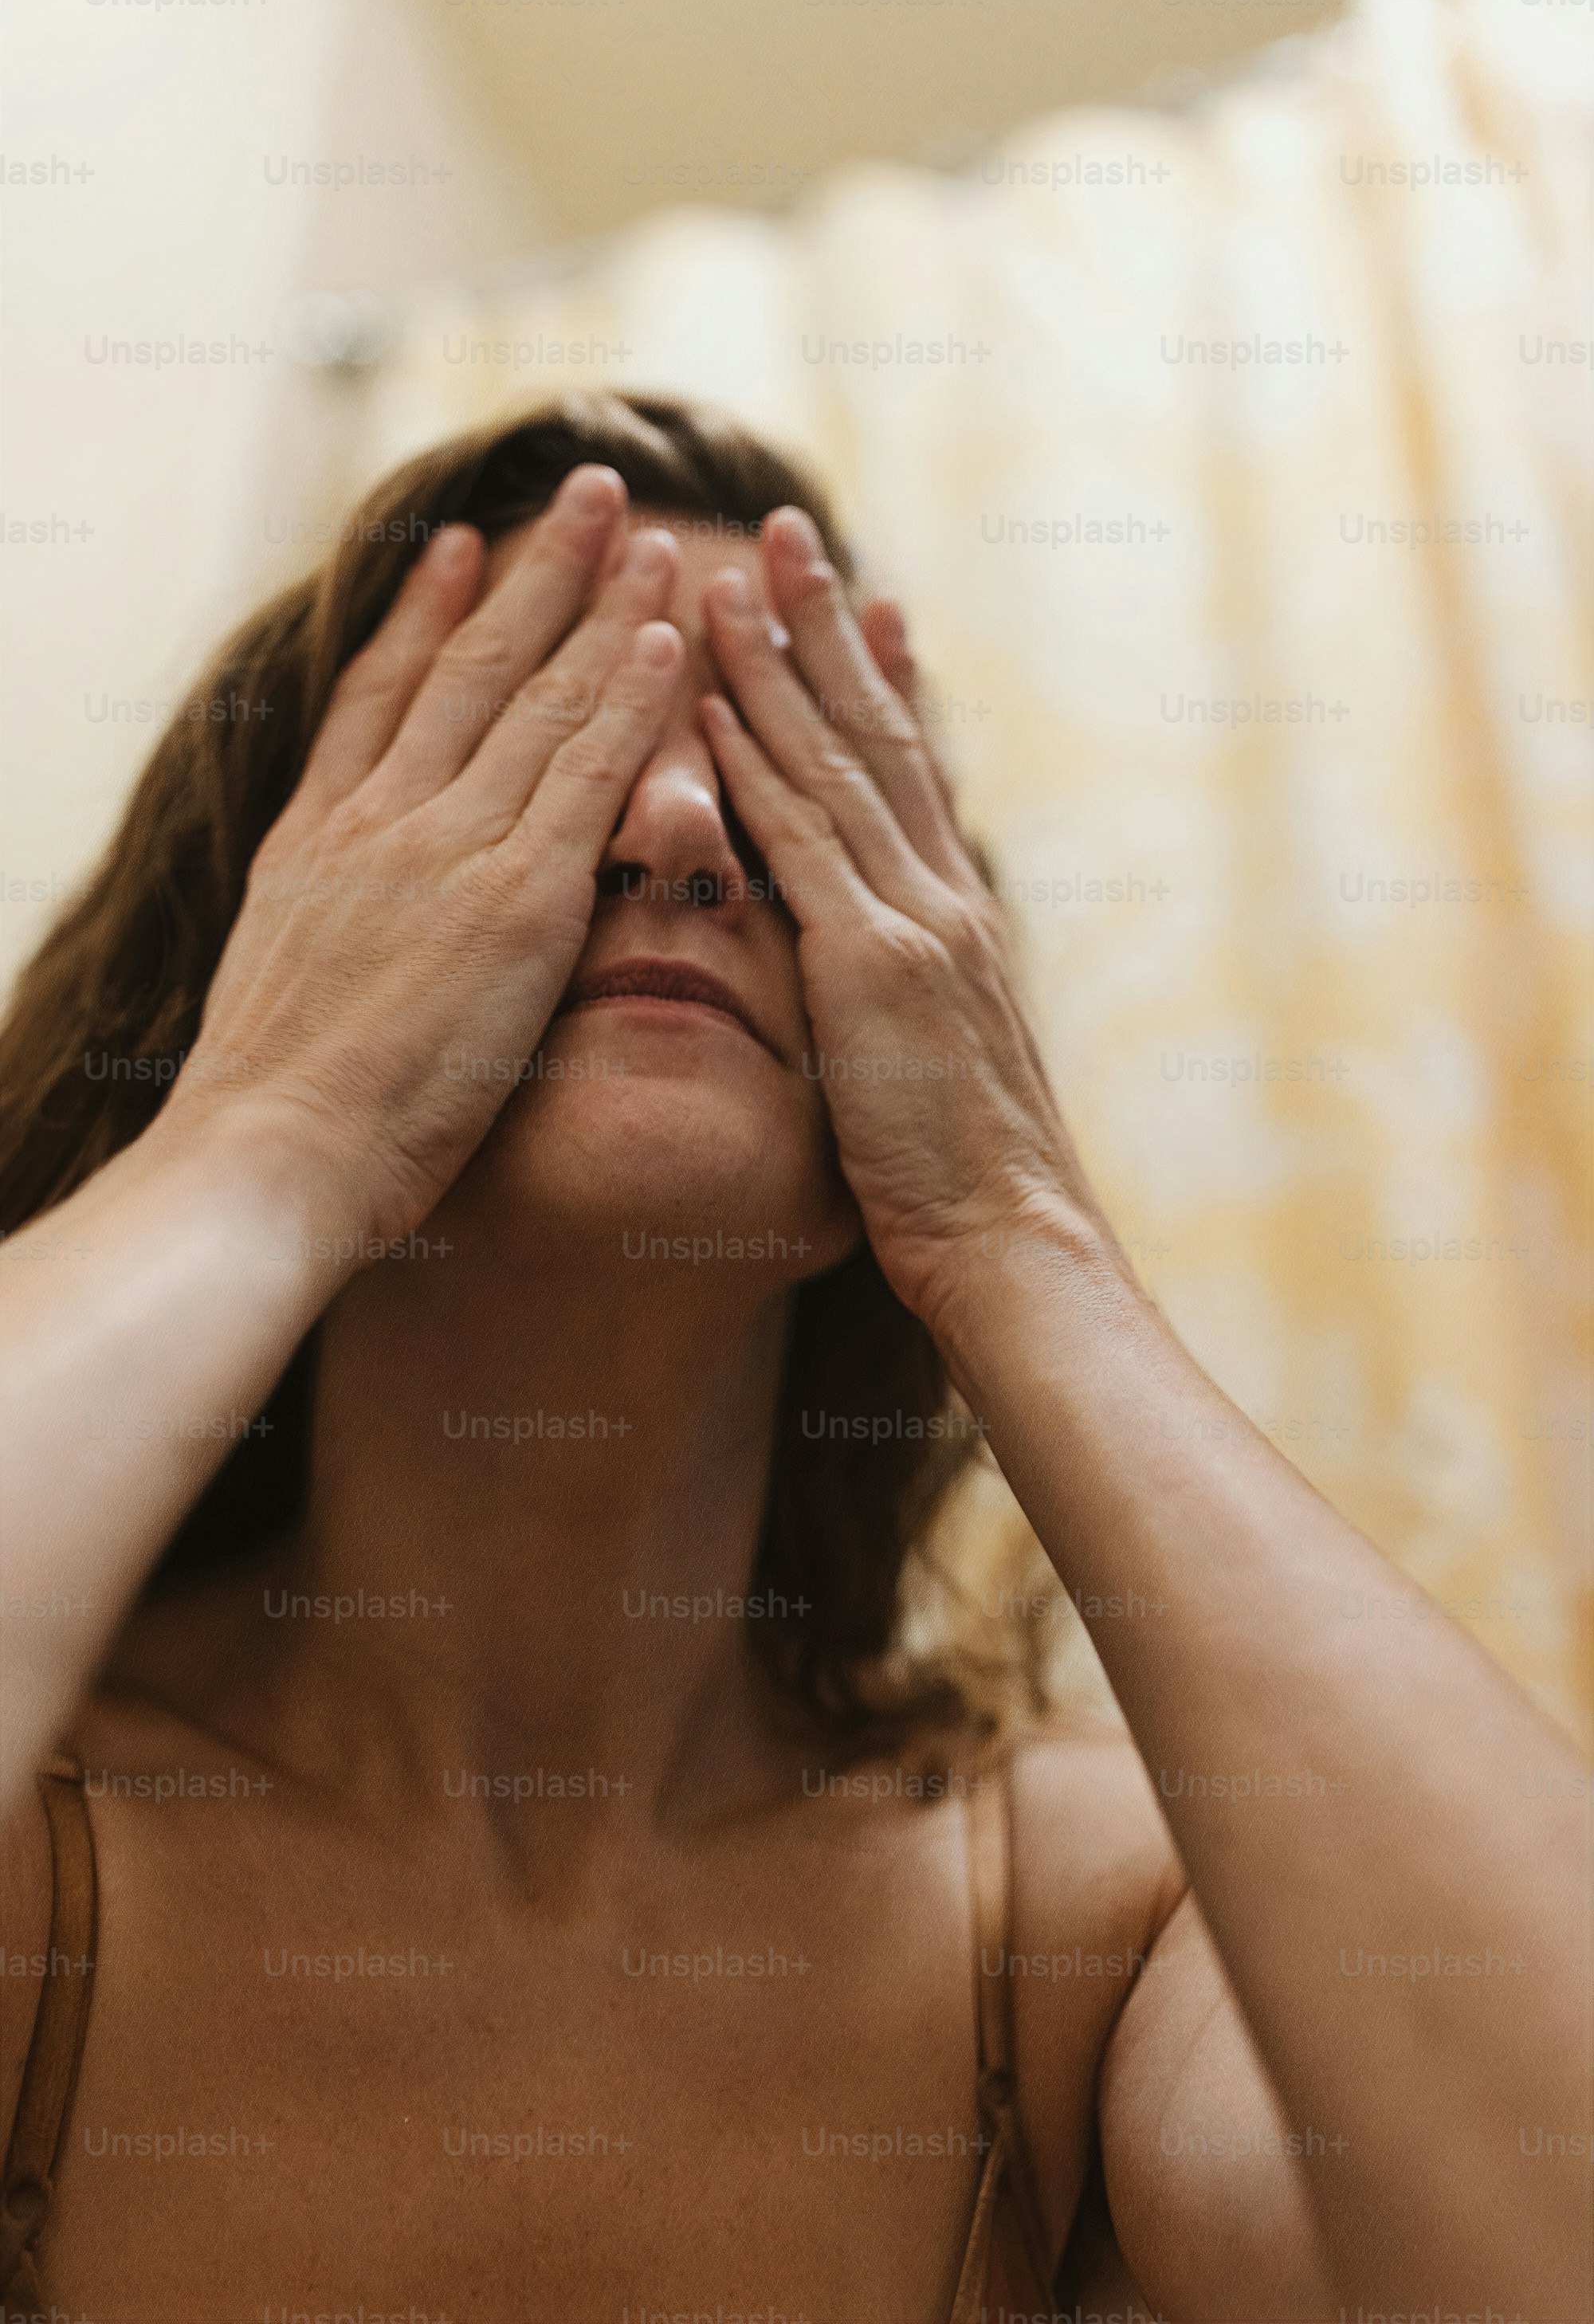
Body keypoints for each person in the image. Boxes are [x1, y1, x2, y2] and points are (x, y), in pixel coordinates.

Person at [0, 395, 1585, 2322]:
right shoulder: (55, 1841)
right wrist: (272, 1129)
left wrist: (1017, 1232)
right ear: (284, 922)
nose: (678, 830)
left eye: (783, 783)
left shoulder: (1088, 1931)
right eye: (544, 748)